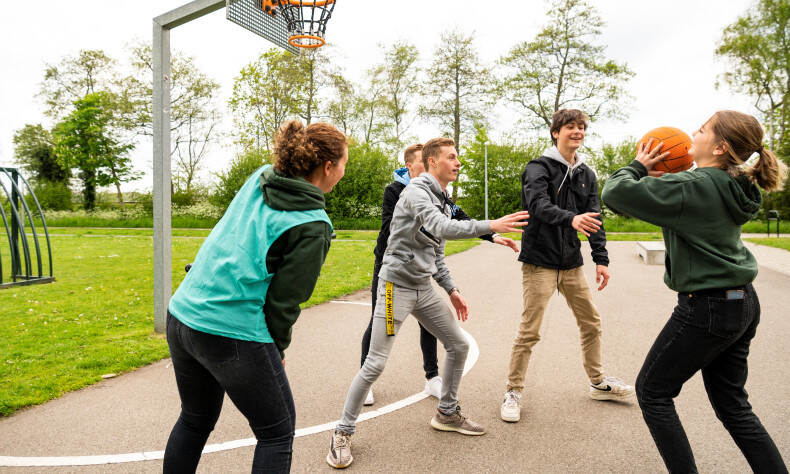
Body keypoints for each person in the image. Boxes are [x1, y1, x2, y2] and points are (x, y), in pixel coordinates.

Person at [601, 110, 788, 473]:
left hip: (708, 307)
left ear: (719, 147)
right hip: (743, 301)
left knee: (653, 393)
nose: (691, 134)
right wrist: (667, 179)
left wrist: (638, 166)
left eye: (701, 130)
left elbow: (615, 191)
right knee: (734, 406)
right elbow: (694, 190)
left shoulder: (693, 186)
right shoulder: (735, 183)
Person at [327, 137, 529, 469]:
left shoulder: (443, 198)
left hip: (423, 288)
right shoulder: (416, 192)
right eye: (452, 157)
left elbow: (437, 250)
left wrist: (451, 289)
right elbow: (441, 227)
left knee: (457, 345)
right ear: (432, 162)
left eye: (458, 157)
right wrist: (490, 225)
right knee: (375, 363)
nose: (458, 162)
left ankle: (447, 413)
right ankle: (341, 433)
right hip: (395, 288)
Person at [164, 121, 347, 473]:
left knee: (195, 418)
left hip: (183, 313)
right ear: (328, 167)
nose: (342, 172)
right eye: (343, 165)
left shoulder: (262, 177)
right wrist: (275, 353)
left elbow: (233, 232)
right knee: (276, 432)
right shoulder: (313, 224)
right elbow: (285, 302)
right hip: (229, 331)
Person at [500, 108, 634, 424]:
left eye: (581, 127)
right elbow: (538, 205)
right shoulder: (538, 168)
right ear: (555, 132)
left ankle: (599, 383)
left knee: (592, 323)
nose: (577, 131)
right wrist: (570, 218)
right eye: (570, 127)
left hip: (572, 265)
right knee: (529, 332)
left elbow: (594, 218)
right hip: (540, 263)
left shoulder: (586, 173)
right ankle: (513, 392)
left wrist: (601, 259)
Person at [362, 143, 518, 406]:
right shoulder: (400, 192)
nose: (428, 171)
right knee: (379, 327)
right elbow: (406, 227)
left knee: (431, 325)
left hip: (421, 272)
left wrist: (491, 234)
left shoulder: (439, 195)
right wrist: (425, 221)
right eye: (422, 167)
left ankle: (432, 376)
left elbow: (458, 217)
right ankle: (366, 379)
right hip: (393, 269)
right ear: (411, 166)